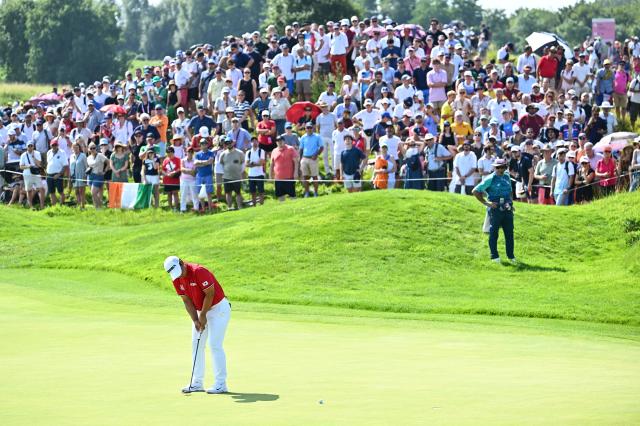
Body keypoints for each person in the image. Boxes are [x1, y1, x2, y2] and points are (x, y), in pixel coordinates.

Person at [163, 256, 231, 395]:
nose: (179, 275)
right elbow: (186, 301)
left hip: (218, 309)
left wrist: (203, 314)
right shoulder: (176, 279)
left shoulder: (199, 271)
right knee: (196, 344)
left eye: (179, 271)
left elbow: (210, 293)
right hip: (201, 311)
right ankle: (197, 383)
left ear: (181, 263)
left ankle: (221, 384)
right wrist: (195, 320)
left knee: (214, 344)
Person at [473, 158, 516, 263]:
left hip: (507, 207)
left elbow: (510, 191)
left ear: (505, 167)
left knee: (509, 233)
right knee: (494, 233)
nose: (499, 169)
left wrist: (511, 203)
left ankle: (511, 256)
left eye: (502, 167)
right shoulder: (490, 178)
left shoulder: (507, 176)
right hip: (495, 208)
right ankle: (494, 256)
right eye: (497, 167)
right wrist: (487, 203)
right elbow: (475, 191)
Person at [270, 134, 299, 201]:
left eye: (281, 140)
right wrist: (270, 175)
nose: (279, 142)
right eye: (277, 141)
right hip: (278, 178)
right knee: (280, 196)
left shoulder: (290, 149)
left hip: (289, 177)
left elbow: (296, 162)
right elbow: (272, 164)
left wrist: (296, 173)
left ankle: (295, 209)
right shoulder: (274, 151)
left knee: (292, 196)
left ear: (284, 141)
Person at [219, 137, 245, 210]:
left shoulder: (239, 153)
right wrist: (223, 173)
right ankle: (230, 207)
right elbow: (220, 164)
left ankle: (240, 206)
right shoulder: (223, 154)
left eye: (229, 143)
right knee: (228, 193)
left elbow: (243, 163)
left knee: (238, 193)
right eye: (226, 143)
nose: (228, 144)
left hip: (237, 177)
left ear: (232, 143)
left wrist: (241, 171)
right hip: (226, 177)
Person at [298, 122, 323, 197]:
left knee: (314, 176)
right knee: (305, 176)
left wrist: (316, 155)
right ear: (305, 129)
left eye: (310, 127)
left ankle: (315, 193)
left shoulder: (317, 136)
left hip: (313, 158)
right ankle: (307, 192)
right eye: (307, 128)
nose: (309, 129)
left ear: (313, 128)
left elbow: (321, 147)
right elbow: (301, 149)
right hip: (304, 158)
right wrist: (300, 160)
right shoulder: (303, 137)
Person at [19, 140, 45, 210]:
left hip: (36, 174)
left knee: (41, 189)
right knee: (29, 190)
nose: (30, 147)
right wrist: (28, 166)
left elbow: (39, 164)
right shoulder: (23, 155)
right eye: (29, 146)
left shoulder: (37, 153)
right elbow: (21, 166)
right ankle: (31, 206)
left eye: (31, 146)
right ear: (27, 147)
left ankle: (42, 206)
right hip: (27, 174)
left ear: (33, 146)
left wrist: (33, 157)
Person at [46, 140, 69, 206]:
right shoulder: (49, 152)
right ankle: (54, 207)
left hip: (58, 175)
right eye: (53, 145)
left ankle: (61, 206)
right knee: (51, 192)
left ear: (57, 145)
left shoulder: (62, 152)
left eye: (55, 145)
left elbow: (65, 165)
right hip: (49, 174)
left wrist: (59, 174)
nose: (54, 146)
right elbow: (49, 163)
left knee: (60, 191)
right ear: (51, 145)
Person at [86, 142, 109, 209]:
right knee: (93, 194)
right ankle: (96, 207)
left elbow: (108, 163)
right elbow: (88, 166)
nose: (93, 149)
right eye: (91, 148)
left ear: (96, 148)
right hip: (90, 176)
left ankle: (100, 207)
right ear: (89, 149)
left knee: (93, 192)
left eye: (94, 148)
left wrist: (104, 171)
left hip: (98, 176)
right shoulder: (88, 157)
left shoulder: (100, 155)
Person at [245, 136, 266, 206]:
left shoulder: (261, 151)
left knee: (261, 191)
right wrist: (255, 164)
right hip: (251, 175)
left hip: (260, 174)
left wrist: (252, 164)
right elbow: (246, 164)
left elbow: (261, 163)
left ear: (258, 142)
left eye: (255, 141)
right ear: (251, 143)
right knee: (252, 192)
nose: (254, 142)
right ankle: (254, 205)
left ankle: (261, 204)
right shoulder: (248, 152)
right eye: (252, 141)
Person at [180, 147, 199, 213]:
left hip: (192, 180)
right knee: (183, 195)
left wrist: (186, 170)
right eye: (188, 152)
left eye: (191, 152)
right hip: (184, 180)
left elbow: (194, 173)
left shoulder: (195, 161)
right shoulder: (183, 160)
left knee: (194, 194)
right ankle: (183, 209)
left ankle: (196, 208)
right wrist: (190, 171)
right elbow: (182, 169)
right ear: (186, 152)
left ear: (193, 153)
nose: (190, 153)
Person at [162, 146, 181, 211]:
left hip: (175, 179)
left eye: (170, 152)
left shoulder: (178, 159)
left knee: (175, 193)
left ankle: (176, 207)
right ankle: (170, 207)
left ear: (173, 152)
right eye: (168, 152)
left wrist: (174, 173)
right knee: (169, 194)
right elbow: (162, 170)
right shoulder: (165, 160)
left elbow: (180, 168)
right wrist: (167, 174)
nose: (169, 154)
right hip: (167, 180)